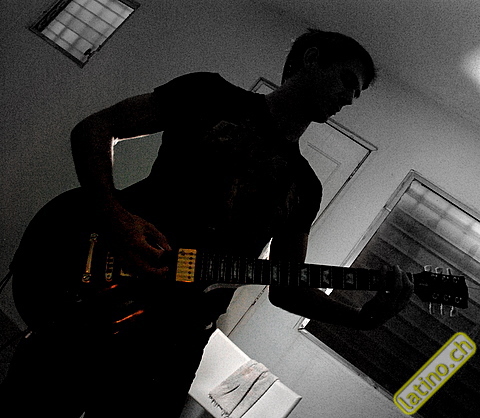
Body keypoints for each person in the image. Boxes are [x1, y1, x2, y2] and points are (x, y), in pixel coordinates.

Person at [1, 29, 413, 417]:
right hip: (90, 302)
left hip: (171, 349)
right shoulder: (208, 94)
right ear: (310, 59)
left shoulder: (304, 187)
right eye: (346, 81)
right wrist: (115, 218)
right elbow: (95, 129)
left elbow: (287, 287)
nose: (349, 98)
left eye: (356, 93)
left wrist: (361, 319)